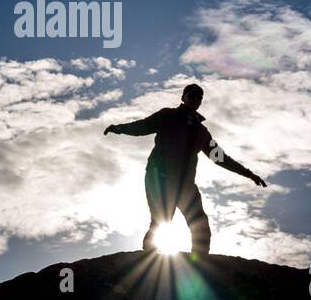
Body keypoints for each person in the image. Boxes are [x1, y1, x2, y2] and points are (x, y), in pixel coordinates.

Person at [104, 83, 266, 255]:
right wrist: (119, 128)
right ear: (183, 97)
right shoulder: (167, 115)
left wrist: (249, 174)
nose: (196, 99)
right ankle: (148, 258)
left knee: (200, 224)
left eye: (200, 97)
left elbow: (221, 158)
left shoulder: (201, 131)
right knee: (161, 220)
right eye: (192, 95)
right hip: (159, 178)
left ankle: (200, 261)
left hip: (186, 184)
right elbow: (142, 126)